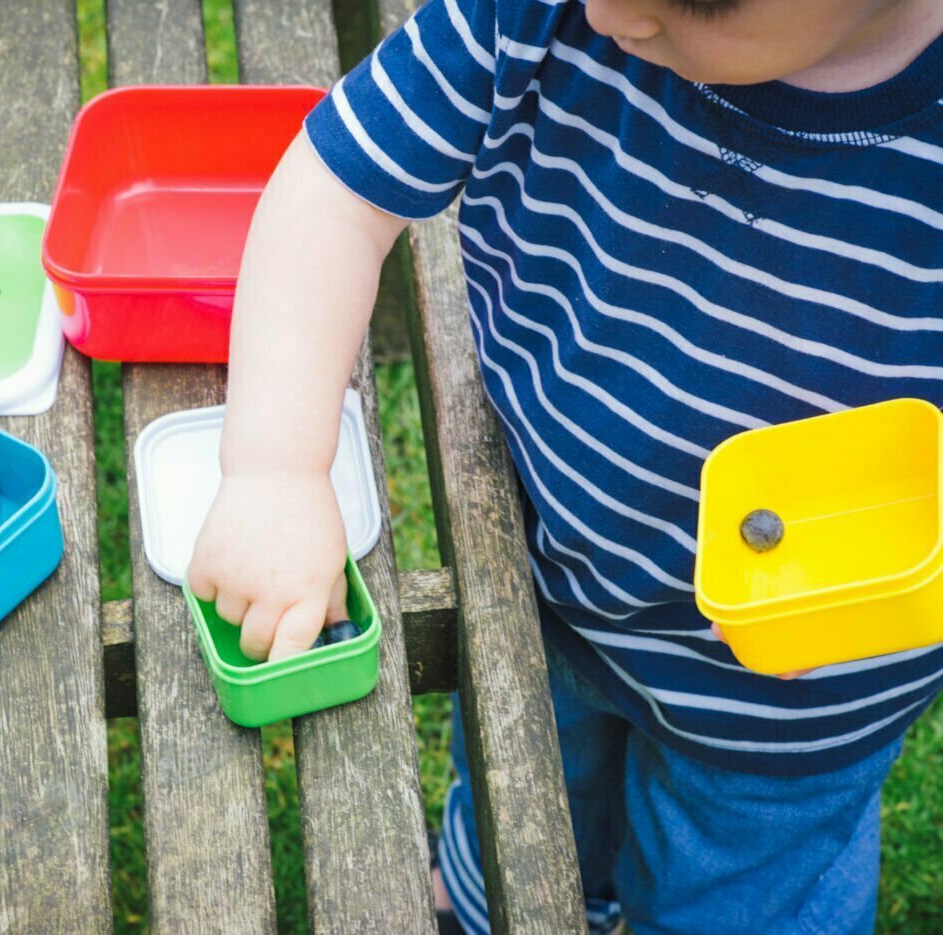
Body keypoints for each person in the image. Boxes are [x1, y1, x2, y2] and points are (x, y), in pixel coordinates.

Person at [186, 1, 943, 932]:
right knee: (521, 819)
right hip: (547, 587)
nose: (612, 11)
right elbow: (335, 194)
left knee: (745, 897)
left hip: (797, 705)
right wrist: (276, 468)